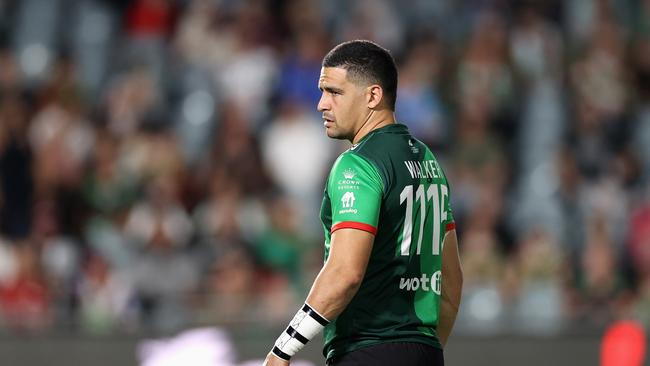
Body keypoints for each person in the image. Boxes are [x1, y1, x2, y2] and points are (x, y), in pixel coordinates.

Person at [263, 40, 463, 366]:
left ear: (372, 96)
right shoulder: (429, 162)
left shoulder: (357, 164)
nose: (321, 104)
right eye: (322, 91)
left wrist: (283, 350)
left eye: (334, 92)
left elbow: (345, 273)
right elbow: (452, 284)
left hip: (367, 349)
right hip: (426, 353)